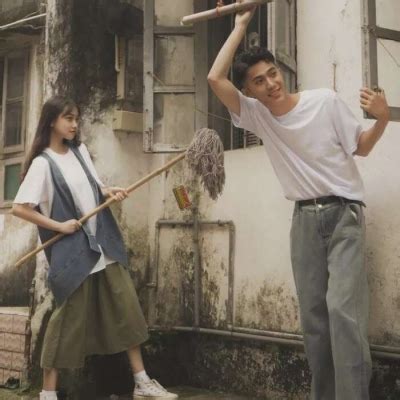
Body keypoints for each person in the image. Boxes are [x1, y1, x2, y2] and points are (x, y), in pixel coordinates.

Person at [207, 3, 390, 400]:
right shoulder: (257, 116)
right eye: (259, 81)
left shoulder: (323, 101)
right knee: (314, 320)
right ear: (249, 91)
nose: (271, 83)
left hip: (344, 214)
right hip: (304, 219)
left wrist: (381, 118)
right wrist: (240, 25)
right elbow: (214, 77)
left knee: (343, 311)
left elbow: (360, 147)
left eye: (272, 73)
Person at [12, 97, 178, 400]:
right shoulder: (42, 163)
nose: (75, 124)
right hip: (74, 254)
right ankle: (47, 394)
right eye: (68, 118)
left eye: (76, 118)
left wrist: (109, 191)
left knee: (127, 309)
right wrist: (59, 226)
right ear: (52, 121)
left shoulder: (81, 152)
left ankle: (142, 382)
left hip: (102, 244)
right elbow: (20, 208)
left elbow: (94, 188)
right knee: (65, 323)